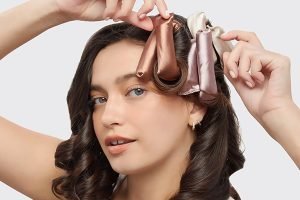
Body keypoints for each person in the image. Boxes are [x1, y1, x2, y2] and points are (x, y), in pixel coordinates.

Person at [0, 0, 299, 200]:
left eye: (136, 91)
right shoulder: (79, 188)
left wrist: (278, 112)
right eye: (98, 99)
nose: (108, 117)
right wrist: (55, 8)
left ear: (195, 105)